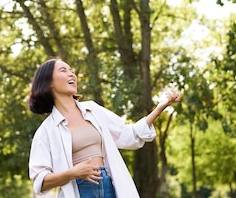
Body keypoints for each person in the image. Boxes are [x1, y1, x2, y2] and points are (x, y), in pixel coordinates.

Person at [27, 59, 181, 198]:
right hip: (80, 191)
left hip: (109, 185)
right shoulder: (46, 131)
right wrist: (73, 173)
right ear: (49, 82)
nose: (71, 74)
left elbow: (129, 134)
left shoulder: (93, 110)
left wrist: (161, 107)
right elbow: (40, 181)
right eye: (63, 70)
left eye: (71, 70)